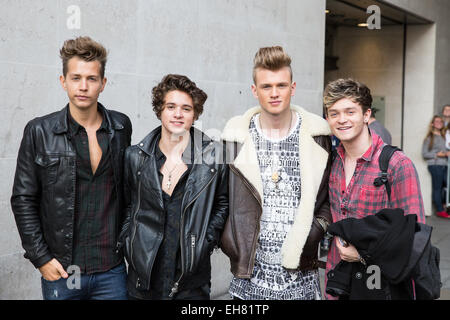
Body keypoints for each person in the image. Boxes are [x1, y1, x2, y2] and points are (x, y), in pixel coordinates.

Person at [10, 36, 132, 300]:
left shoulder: (121, 127)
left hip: (111, 269)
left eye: (91, 79)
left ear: (103, 84)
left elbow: (128, 192)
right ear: (63, 81)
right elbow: (23, 199)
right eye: (76, 78)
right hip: (63, 271)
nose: (83, 86)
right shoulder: (39, 131)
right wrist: (41, 258)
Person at [220, 46, 332, 300]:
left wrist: (314, 233)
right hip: (249, 280)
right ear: (254, 90)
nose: (274, 93)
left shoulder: (317, 136)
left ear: (292, 88)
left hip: (301, 279)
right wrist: (230, 242)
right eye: (266, 86)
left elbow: (327, 198)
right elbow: (222, 198)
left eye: (281, 85)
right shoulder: (235, 138)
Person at [118, 74, 228, 300]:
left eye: (186, 108)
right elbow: (126, 205)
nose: (178, 114)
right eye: (171, 106)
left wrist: (205, 242)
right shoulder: (135, 157)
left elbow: (222, 203)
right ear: (160, 110)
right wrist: (129, 242)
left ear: (195, 114)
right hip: (143, 280)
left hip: (191, 281)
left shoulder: (213, 158)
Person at [323, 78, 426, 299]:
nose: (342, 120)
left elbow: (415, 235)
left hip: (379, 286)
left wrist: (362, 254)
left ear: (367, 115)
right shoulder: (331, 163)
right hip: (337, 283)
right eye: (334, 113)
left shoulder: (396, 164)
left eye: (350, 112)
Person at [422, 115, 450, 218]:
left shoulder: (444, 136)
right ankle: (440, 210)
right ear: (432, 124)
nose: (439, 123)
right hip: (435, 165)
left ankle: (443, 205)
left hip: (445, 165)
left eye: (441, 121)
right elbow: (424, 154)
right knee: (437, 187)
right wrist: (438, 154)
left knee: (446, 186)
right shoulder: (430, 138)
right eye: (437, 121)